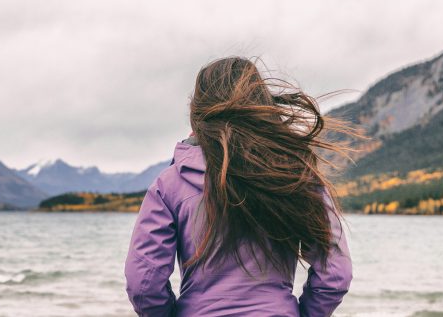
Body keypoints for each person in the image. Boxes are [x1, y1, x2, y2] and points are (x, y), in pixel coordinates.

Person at [124, 57, 356, 316]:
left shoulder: (169, 185)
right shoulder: (297, 176)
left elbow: (143, 284)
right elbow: (335, 274)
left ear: (197, 114)